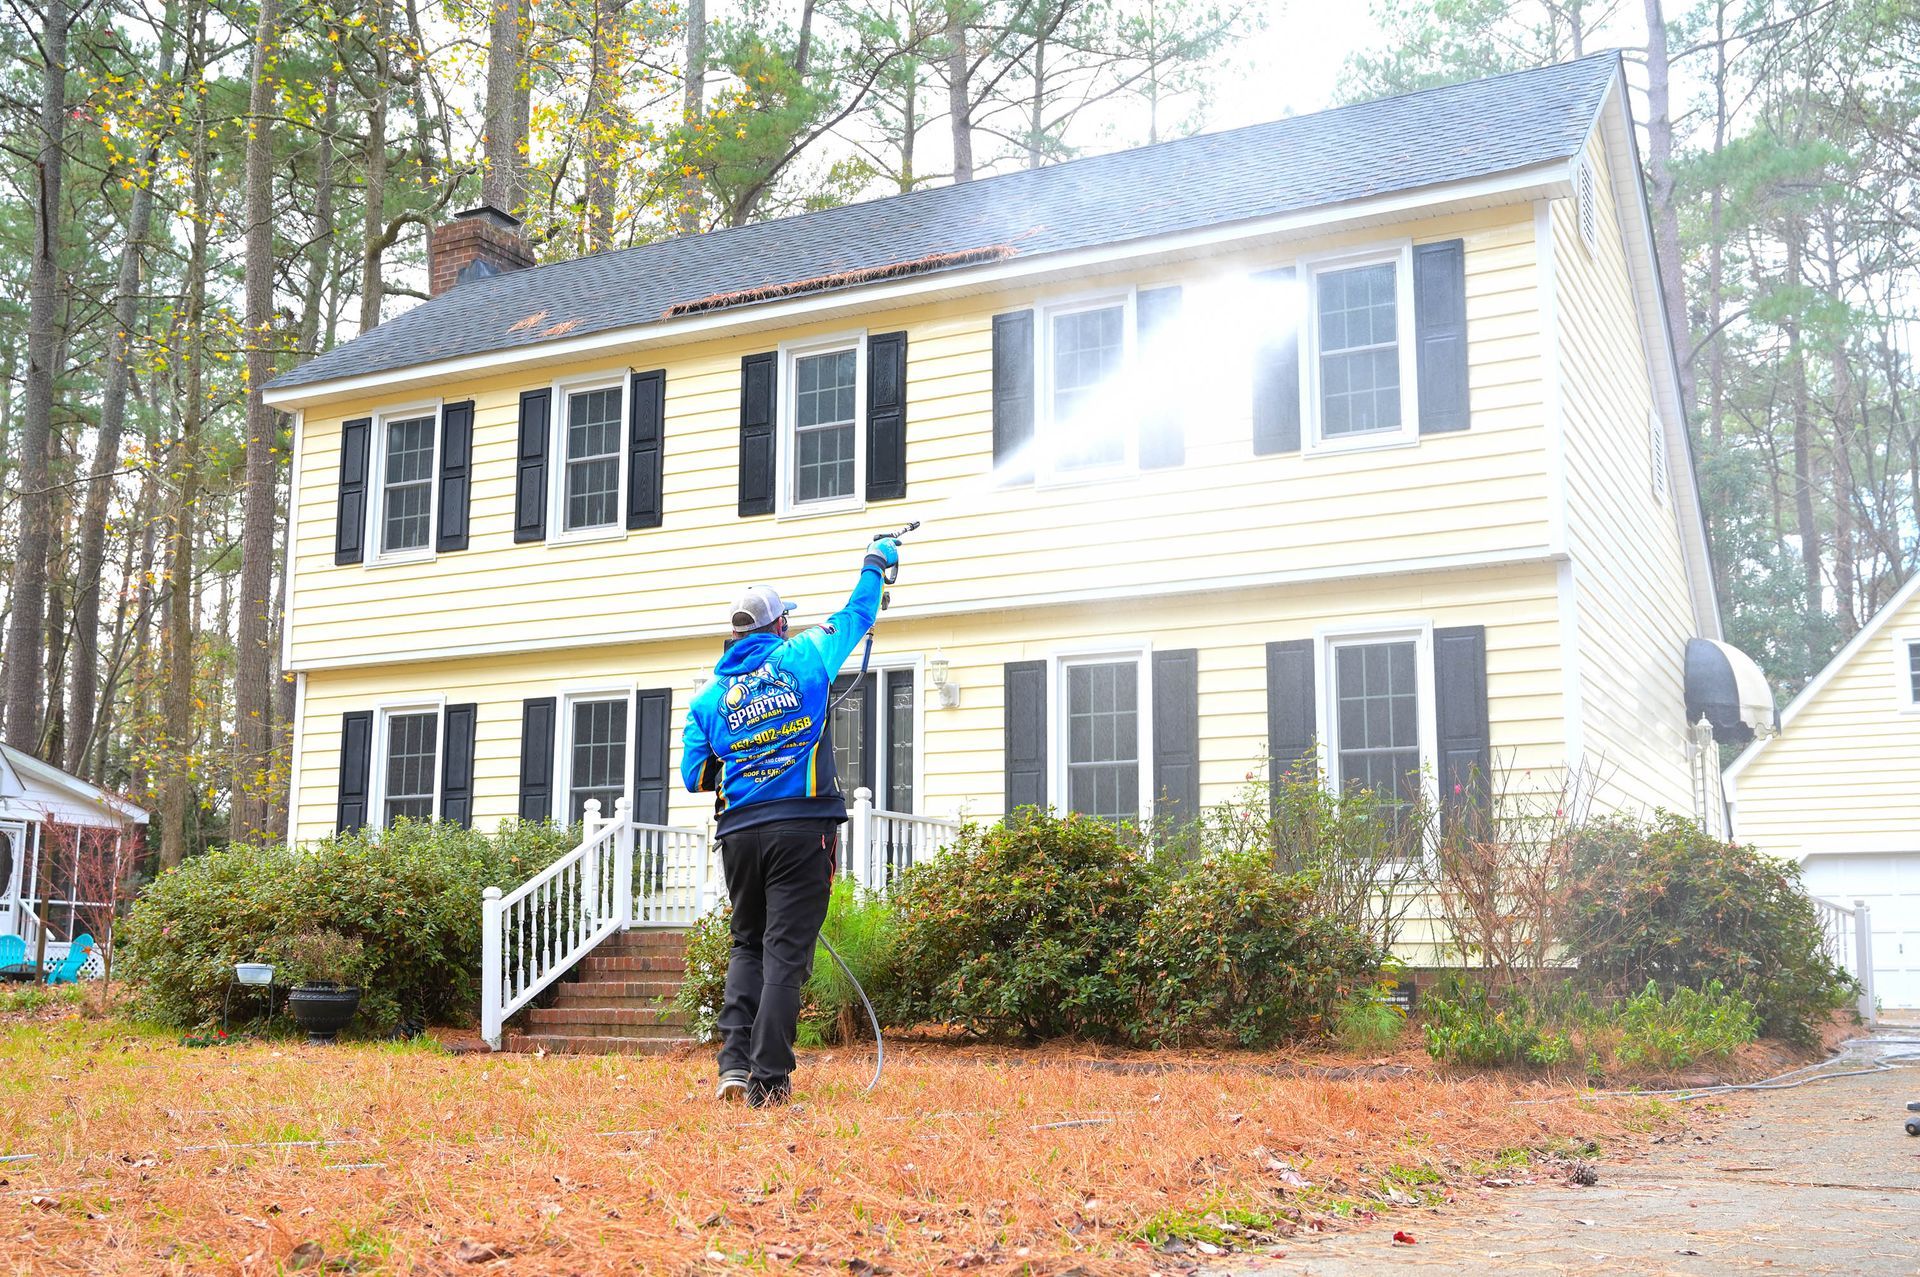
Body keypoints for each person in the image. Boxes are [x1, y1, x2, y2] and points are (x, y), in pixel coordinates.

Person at [681, 536, 901, 1107]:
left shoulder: (709, 697)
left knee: (747, 945)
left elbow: (694, 775)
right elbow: (855, 614)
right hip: (802, 831)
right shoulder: (805, 655)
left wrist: (748, 762)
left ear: (736, 636)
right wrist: (875, 564)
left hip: (739, 837)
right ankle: (769, 1082)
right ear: (778, 627)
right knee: (783, 954)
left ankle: (733, 1067)